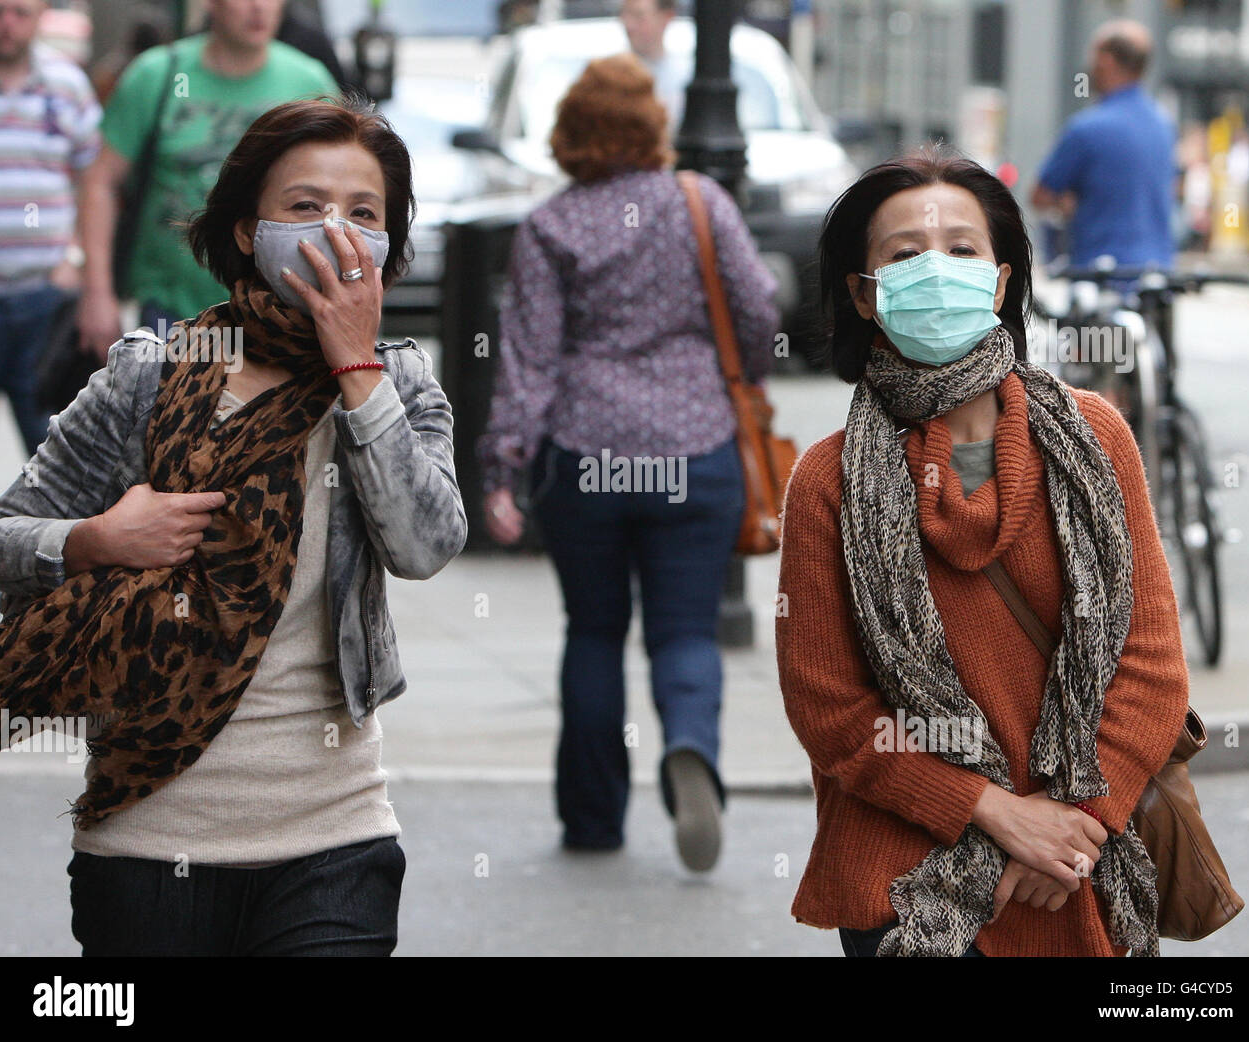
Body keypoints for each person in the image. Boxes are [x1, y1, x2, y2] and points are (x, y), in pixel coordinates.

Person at [0, 97, 467, 956]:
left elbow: (424, 544)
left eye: (365, 214)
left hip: (334, 832)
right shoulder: (150, 376)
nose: (337, 231)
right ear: (248, 229)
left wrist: (356, 363)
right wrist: (95, 540)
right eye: (305, 207)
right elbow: (1, 535)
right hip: (148, 836)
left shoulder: (399, 385)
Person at [777, 146, 1189, 956]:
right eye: (904, 255)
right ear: (864, 295)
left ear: (1000, 283)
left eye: (962, 249)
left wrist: (1074, 828)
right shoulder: (828, 481)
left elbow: (1151, 663)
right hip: (906, 875)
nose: (937, 269)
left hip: (1077, 866)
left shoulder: (1095, 439)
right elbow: (832, 710)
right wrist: (995, 818)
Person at [479, 54, 778, 871]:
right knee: (686, 632)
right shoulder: (700, 201)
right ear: (652, 127)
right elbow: (758, 305)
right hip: (696, 450)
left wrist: (503, 468)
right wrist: (746, 374)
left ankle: (593, 820)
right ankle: (690, 749)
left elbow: (528, 360)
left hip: (587, 457)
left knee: (595, 632)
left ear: (571, 136)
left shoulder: (550, 227)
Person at [76, 0, 338, 362]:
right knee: (183, 416)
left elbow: (339, 194)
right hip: (175, 312)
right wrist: (96, 293)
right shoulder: (158, 74)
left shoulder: (308, 81)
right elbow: (99, 182)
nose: (259, 8)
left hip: (282, 311)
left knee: (270, 418)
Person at [0, 0, 100, 621]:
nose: (6, 24)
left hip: (44, 301)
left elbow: (93, 179)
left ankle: (56, 587)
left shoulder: (65, 87)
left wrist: (78, 261)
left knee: (56, 446)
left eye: (19, 12)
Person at [1032, 19, 1176, 269]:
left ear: (1106, 60)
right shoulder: (1164, 125)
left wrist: (1066, 203)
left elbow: (1040, 196)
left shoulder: (1087, 128)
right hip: (1157, 274)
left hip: (1100, 275)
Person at [620, 0, 688, 131]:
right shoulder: (607, 75)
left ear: (667, 18)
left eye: (638, 15)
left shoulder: (683, 77)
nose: (628, 25)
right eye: (624, 14)